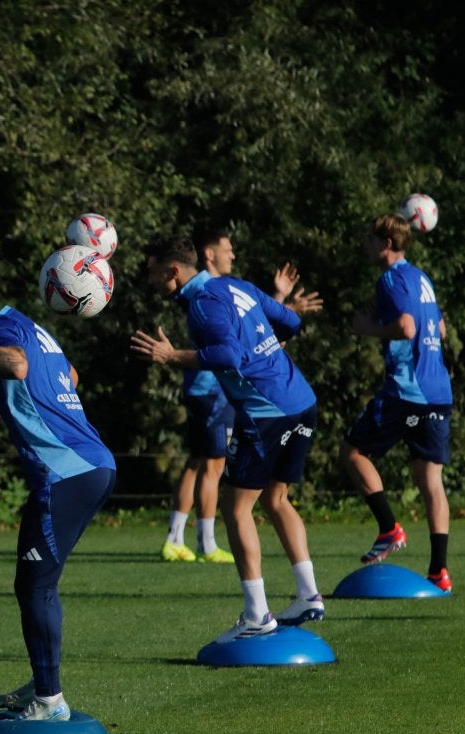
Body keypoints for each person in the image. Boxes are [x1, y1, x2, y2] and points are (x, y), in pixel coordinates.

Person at [0, 264, 116, 722]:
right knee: (33, 584)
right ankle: (43, 682)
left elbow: (15, 364)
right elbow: (68, 375)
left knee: (36, 587)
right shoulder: (26, 324)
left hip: (65, 473)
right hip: (90, 463)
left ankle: (49, 701)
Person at [133, 235, 325, 644]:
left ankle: (257, 614)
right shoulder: (236, 284)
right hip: (301, 400)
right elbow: (290, 322)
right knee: (276, 499)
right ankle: (309, 594)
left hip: (265, 410)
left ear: (173, 272)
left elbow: (226, 356)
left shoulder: (203, 303)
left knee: (235, 506)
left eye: (152, 272)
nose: (149, 280)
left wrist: (171, 356)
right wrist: (267, 350)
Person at [162, 230, 323, 564]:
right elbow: (275, 327)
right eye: (228, 249)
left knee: (221, 481)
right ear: (209, 254)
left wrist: (172, 356)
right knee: (219, 469)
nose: (232, 255)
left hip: (253, 401)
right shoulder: (224, 290)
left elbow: (232, 351)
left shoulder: (211, 296)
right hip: (272, 396)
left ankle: (207, 550)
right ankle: (191, 540)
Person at [341, 214, 453, 591]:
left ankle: (389, 527)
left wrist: (367, 329)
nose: (366, 246)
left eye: (371, 240)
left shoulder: (391, 278)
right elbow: (438, 328)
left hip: (409, 391)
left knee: (353, 451)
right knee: (430, 480)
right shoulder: (422, 278)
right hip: (439, 390)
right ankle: (439, 571)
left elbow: (407, 327)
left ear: (387, 243)